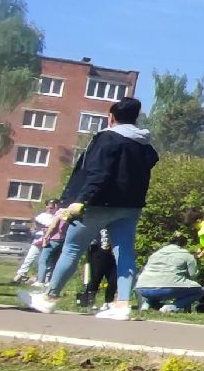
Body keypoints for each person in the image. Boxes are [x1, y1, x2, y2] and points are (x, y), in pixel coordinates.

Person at [23, 96, 159, 319]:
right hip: (130, 206)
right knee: (124, 252)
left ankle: (49, 298)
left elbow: (97, 172)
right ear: (135, 119)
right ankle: (122, 304)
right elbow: (150, 161)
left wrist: (80, 199)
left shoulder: (106, 138)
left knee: (72, 249)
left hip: (97, 204)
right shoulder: (144, 144)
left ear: (111, 117)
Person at [136, 234, 204, 311]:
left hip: (143, 288)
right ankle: (173, 307)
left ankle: (147, 304)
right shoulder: (186, 255)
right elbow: (193, 275)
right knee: (198, 291)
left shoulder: (156, 254)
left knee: (155, 288)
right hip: (168, 288)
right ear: (184, 245)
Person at [11, 200, 61, 283]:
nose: (50, 208)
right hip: (39, 239)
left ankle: (44, 278)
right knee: (30, 257)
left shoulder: (58, 216)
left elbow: (53, 226)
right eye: (48, 206)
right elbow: (36, 226)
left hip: (51, 240)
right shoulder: (41, 216)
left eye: (52, 207)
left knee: (48, 260)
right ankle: (20, 275)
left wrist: (46, 226)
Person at [78, 228, 118, 311]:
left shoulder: (116, 225)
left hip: (112, 254)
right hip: (97, 252)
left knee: (113, 279)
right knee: (96, 277)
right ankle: (89, 301)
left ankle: (109, 301)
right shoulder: (97, 223)